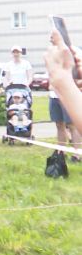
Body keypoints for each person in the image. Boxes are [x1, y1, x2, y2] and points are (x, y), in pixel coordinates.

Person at [44, 29, 82, 160]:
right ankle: (62, 151)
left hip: (67, 96)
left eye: (53, 36)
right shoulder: (51, 54)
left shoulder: (71, 52)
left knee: (72, 125)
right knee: (59, 124)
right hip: (54, 95)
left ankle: (77, 152)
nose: (51, 39)